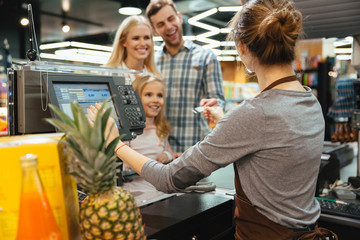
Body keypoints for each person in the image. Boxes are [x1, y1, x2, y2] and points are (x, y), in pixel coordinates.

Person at [94, 0, 338, 239]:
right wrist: (229, 121)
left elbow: (168, 179)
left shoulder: (255, 113)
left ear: (242, 47)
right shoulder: (310, 101)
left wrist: (116, 143)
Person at [145, 0, 225, 152]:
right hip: (161, 149)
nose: (168, 26)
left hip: (195, 148)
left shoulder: (206, 57)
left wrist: (214, 105)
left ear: (179, 18)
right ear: (154, 30)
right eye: (160, 24)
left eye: (171, 19)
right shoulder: (151, 62)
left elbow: (218, 99)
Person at [105, 15, 161, 84]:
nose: (143, 43)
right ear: (123, 41)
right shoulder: (108, 74)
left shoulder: (156, 78)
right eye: (136, 38)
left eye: (146, 38)